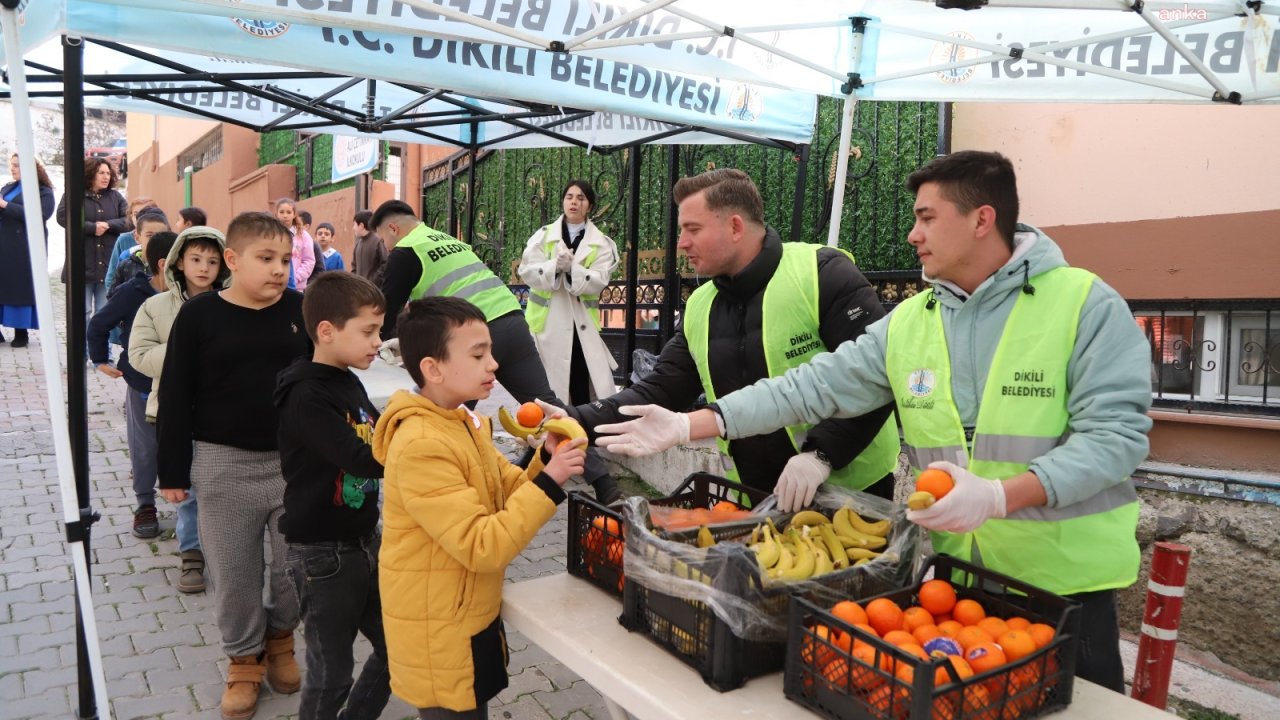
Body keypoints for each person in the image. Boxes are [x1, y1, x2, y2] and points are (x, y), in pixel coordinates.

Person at [595, 151, 1152, 691]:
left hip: (1066, 592)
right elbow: (814, 385)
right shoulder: (912, 321)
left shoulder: (1086, 306)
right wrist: (698, 423)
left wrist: (1004, 495)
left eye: (927, 217)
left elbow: (1115, 441)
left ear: (983, 220)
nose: (913, 234)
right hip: (956, 585)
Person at [565, 168, 898, 509]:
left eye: (693, 229)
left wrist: (821, 455)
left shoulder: (822, 273)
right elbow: (660, 389)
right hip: (756, 495)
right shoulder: (700, 305)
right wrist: (574, 419)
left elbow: (878, 374)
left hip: (852, 493)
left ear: (735, 227)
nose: (681, 243)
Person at [371, 295, 586, 718]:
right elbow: (483, 545)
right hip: (440, 629)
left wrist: (546, 458)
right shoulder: (422, 445)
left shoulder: (460, 423)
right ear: (433, 368)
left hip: (468, 615)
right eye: (478, 354)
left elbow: (509, 492)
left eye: (490, 351)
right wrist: (552, 479)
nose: (494, 364)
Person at [156, 212, 310, 719]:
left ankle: (281, 638)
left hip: (292, 464)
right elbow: (176, 393)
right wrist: (173, 472)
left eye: (285, 260)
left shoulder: (300, 310)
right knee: (234, 573)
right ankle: (244, 660)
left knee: (295, 568)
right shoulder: (200, 317)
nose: (278, 270)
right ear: (233, 260)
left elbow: (325, 379)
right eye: (266, 259)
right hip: (222, 466)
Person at [372, 200, 622, 504]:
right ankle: (605, 485)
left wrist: (376, 340)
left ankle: (452, 487)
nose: (385, 247)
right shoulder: (449, 241)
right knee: (547, 406)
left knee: (446, 414)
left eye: (383, 239)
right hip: (512, 322)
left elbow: (386, 308)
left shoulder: (406, 251)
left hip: (472, 340)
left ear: (393, 228)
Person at [275, 272, 390, 720]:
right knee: (332, 672)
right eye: (368, 331)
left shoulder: (347, 379)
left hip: (365, 540)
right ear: (327, 331)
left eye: (379, 331)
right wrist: (421, 452)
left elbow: (380, 430)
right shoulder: (306, 394)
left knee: (398, 647)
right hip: (322, 555)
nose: (378, 342)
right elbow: (362, 456)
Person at [130, 225, 230, 594]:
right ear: (178, 262)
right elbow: (137, 356)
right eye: (196, 259)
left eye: (213, 261)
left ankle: (225, 552)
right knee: (184, 491)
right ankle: (192, 556)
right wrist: (182, 352)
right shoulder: (154, 307)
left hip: (220, 414)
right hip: (173, 414)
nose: (204, 267)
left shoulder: (233, 304)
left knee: (219, 488)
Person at [89, 231, 178, 540]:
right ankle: (145, 504)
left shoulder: (193, 293)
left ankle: (189, 502)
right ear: (164, 264)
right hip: (142, 385)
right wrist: (100, 360)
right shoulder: (132, 292)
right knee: (145, 448)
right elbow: (98, 324)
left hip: (182, 388)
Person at [517, 179, 620, 407]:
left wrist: (573, 269)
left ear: (589, 206)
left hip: (581, 324)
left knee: (581, 378)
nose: (574, 202)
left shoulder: (601, 243)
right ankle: (543, 430)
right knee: (544, 382)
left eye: (581, 198)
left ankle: (582, 427)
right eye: (570, 197)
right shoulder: (543, 237)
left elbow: (600, 280)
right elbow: (527, 272)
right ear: (563, 201)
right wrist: (555, 266)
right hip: (546, 324)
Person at [57, 157, 132, 348]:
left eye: (108, 173)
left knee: (103, 312)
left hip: (107, 266)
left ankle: (100, 352)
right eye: (101, 173)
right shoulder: (74, 194)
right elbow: (63, 217)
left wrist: (107, 225)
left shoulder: (116, 197)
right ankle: (80, 351)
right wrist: (91, 227)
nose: (106, 176)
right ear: (90, 173)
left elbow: (129, 220)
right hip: (81, 264)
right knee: (82, 313)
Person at [0, 154, 56, 348]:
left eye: (17, 165)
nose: (13, 169)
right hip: (3, 244)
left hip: (25, 248)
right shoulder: (7, 187)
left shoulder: (44, 191)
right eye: (12, 165)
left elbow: (40, 214)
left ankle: (20, 332)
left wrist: (5, 205)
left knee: (19, 289)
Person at [103, 197, 159, 296]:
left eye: (145, 213)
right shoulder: (123, 240)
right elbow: (112, 272)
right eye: (136, 214)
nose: (140, 217)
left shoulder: (163, 237)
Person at [277, 197, 317, 290]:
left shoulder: (304, 236)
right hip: (276, 285)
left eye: (288, 212)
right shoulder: (272, 233)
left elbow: (309, 261)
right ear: (277, 214)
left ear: (294, 214)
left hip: (296, 287)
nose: (285, 215)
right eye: (281, 212)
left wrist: (295, 278)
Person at [351, 210, 387, 286]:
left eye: (354, 224)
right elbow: (354, 267)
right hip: (360, 290)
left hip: (375, 290)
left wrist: (373, 282)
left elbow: (385, 264)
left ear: (361, 225)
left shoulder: (378, 241)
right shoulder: (358, 244)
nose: (353, 228)